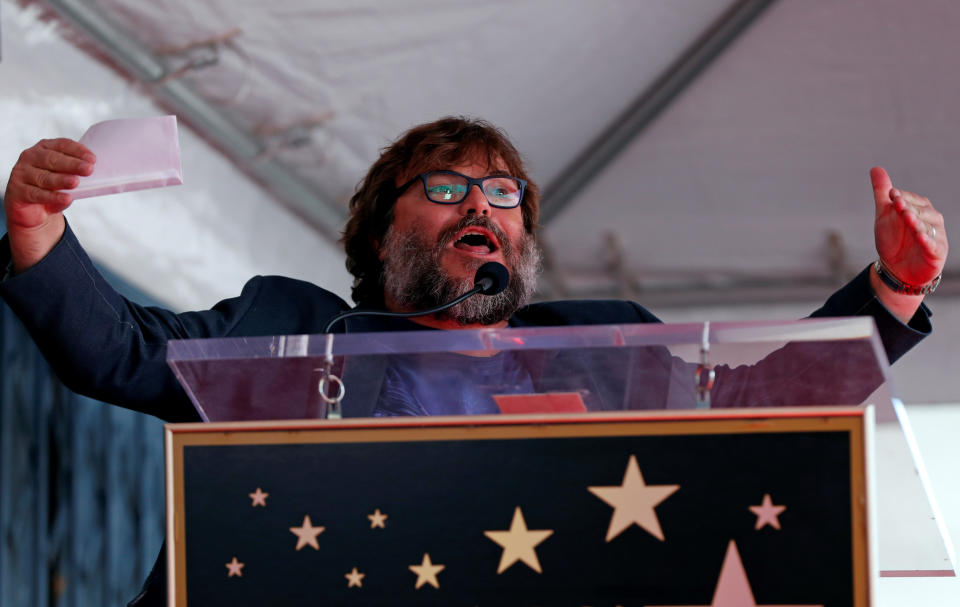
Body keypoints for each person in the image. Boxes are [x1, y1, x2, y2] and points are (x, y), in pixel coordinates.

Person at [0, 117, 948, 604]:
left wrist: (892, 291)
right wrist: (38, 232)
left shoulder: (609, 344)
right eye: (448, 186)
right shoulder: (299, 331)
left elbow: (759, 408)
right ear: (380, 236)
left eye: (504, 192)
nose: (482, 207)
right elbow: (120, 353)